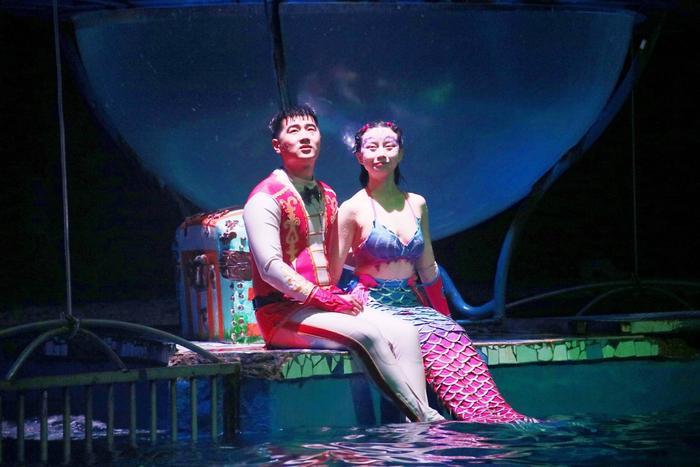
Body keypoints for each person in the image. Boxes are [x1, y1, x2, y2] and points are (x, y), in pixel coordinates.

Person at [243, 106, 443, 423]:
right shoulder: (264, 198)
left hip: (326, 305)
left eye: (310, 129)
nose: (305, 136)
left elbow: (335, 255)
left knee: (406, 333)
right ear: (277, 146)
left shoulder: (327, 194)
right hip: (282, 312)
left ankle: (412, 428)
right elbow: (270, 268)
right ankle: (425, 417)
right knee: (368, 335)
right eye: (294, 131)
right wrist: (324, 297)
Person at [335, 120, 532, 423]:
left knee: (451, 335)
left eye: (389, 146)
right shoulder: (352, 208)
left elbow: (427, 267)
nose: (381, 154)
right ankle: (423, 423)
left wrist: (445, 317)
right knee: (419, 335)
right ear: (360, 156)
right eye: (372, 147)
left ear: (401, 153)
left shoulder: (416, 204)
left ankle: (490, 418)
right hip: (372, 302)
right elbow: (333, 270)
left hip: (410, 301)